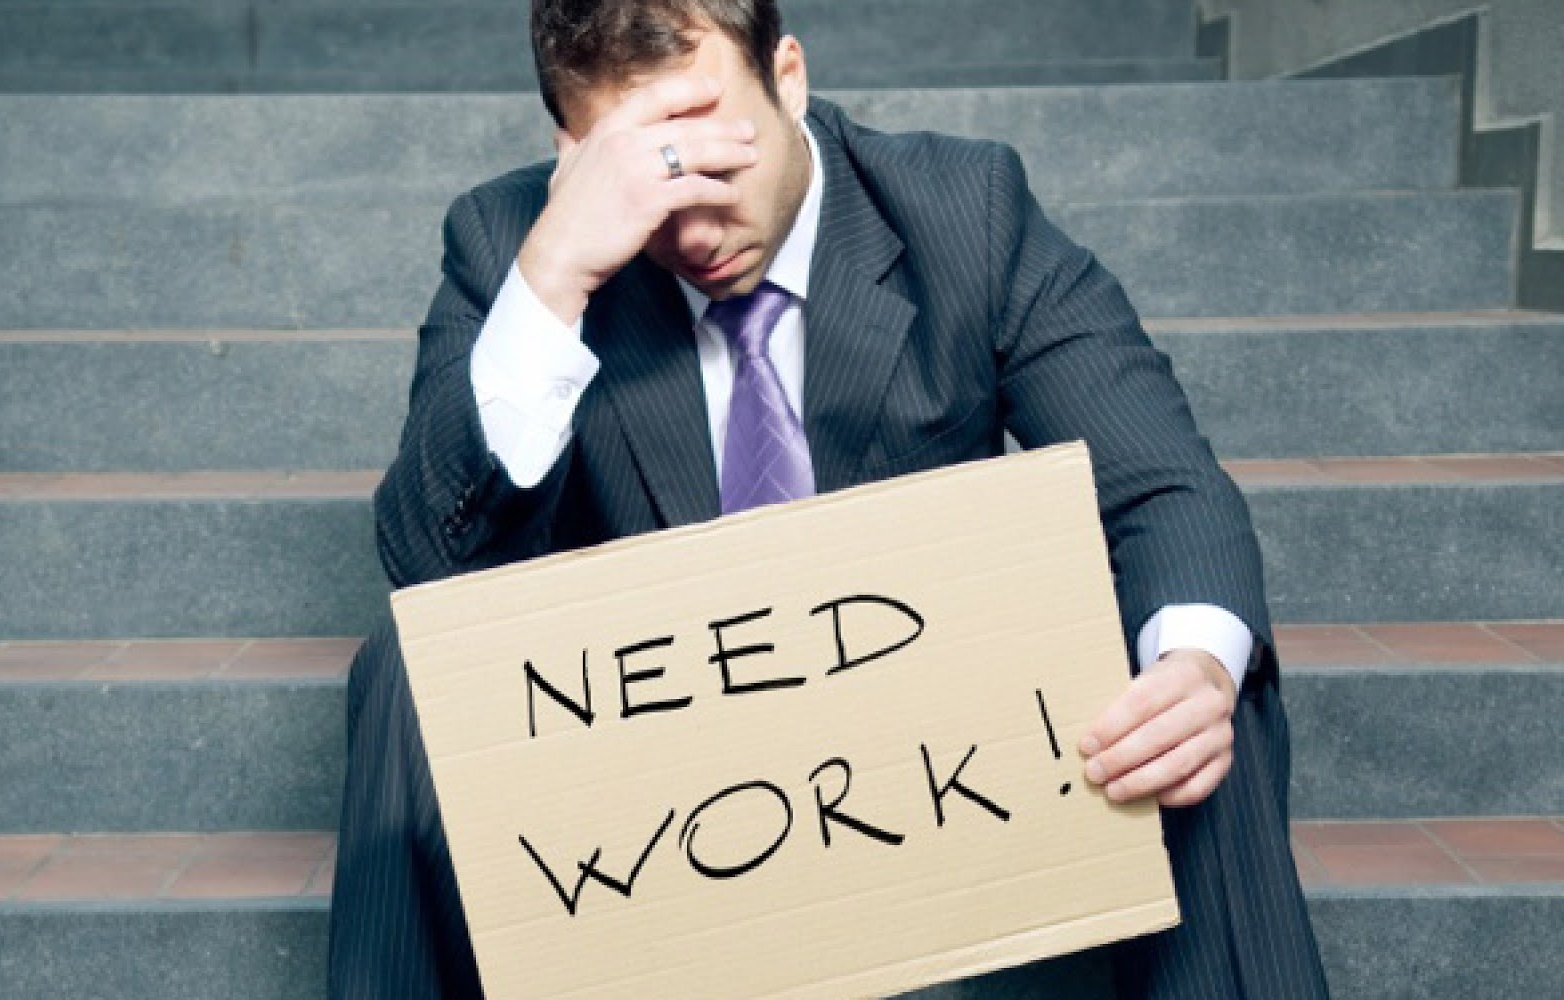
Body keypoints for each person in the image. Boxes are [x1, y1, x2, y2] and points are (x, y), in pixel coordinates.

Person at [328, 2, 1332, 997]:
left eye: (713, 153)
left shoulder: (965, 207)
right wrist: (553, 276)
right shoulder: (512, 243)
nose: (691, 225)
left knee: (1194, 671)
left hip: (932, 772)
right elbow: (434, 575)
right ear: (573, 157)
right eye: (646, 170)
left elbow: (1161, 484)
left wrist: (1194, 667)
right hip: (656, 806)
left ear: (789, 78)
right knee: (406, 673)